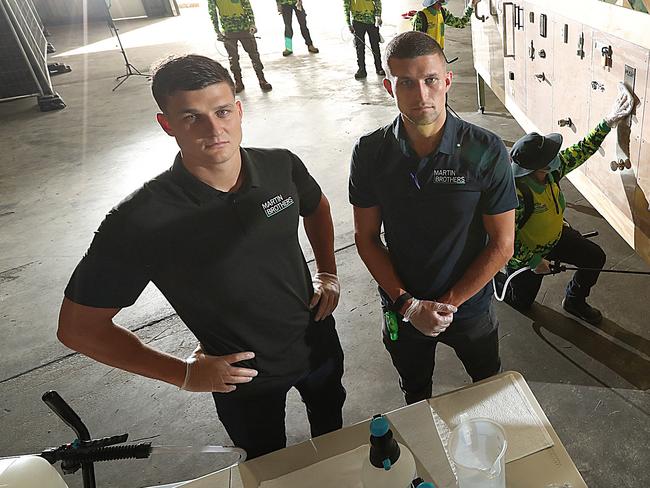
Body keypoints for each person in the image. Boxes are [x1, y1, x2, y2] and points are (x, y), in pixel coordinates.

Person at [57, 55, 345, 459]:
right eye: (192, 117)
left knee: (334, 438)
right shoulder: (140, 219)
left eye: (222, 111)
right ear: (167, 124)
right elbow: (79, 329)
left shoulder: (281, 166)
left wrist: (328, 273)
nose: (215, 129)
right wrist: (185, 374)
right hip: (242, 378)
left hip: (317, 342)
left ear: (238, 110)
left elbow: (317, 207)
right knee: (264, 464)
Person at [349, 32, 517, 405]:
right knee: (414, 390)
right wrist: (409, 306)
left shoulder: (484, 149)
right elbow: (367, 238)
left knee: (487, 382)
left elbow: (503, 243)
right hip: (402, 303)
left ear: (447, 81)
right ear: (388, 86)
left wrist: (449, 304)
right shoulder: (371, 152)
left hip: (469, 305)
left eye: (429, 80)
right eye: (406, 83)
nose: (421, 95)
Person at [500, 83, 634, 325]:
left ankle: (574, 300)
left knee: (594, 257)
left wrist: (608, 121)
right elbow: (507, 239)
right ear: (536, 167)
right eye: (551, 156)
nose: (557, 157)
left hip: (556, 237)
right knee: (521, 302)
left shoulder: (552, 169)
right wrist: (533, 262)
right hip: (527, 255)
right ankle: (493, 279)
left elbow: (583, 149)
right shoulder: (515, 194)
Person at [207, 0, 272, 93]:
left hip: (245, 28)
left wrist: (252, 23)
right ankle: (238, 82)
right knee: (233, 58)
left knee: (254, 55)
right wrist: (217, 30)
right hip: (228, 30)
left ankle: (262, 79)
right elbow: (212, 12)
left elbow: (247, 5)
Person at [412, 0, 479, 51]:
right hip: (425, 55)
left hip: (439, 53)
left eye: (442, 2)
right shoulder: (421, 16)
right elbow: (415, 43)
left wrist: (471, 5)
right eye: (438, 2)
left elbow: (461, 23)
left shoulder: (443, 12)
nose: (441, 4)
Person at [344, 0, 386, 79]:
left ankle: (379, 67)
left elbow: (377, 1)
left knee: (375, 45)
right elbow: (346, 6)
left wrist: (378, 15)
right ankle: (362, 69)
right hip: (357, 21)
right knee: (359, 47)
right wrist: (348, 23)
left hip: (372, 20)